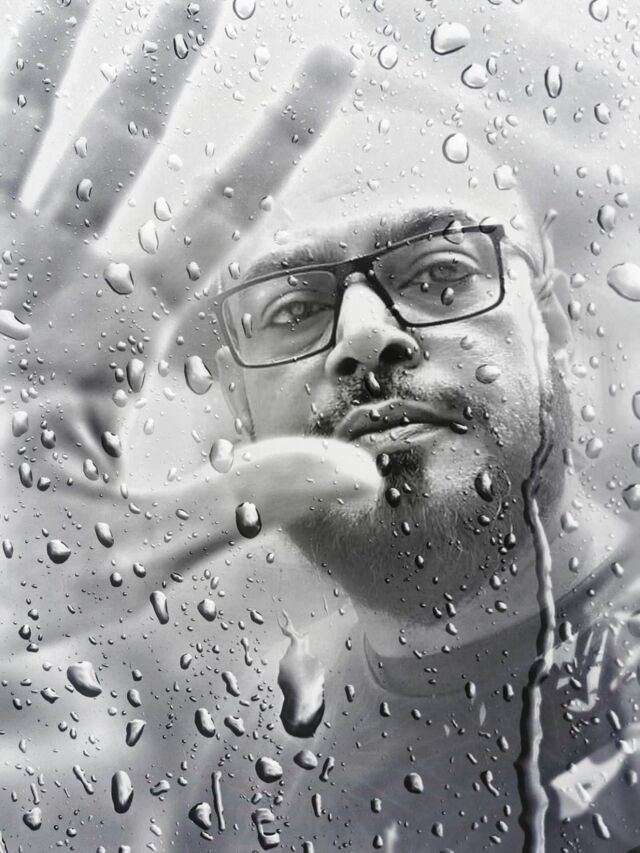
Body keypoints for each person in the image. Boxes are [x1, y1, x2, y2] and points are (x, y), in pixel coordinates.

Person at [0, 2, 638, 852]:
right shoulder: (248, 768)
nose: (365, 337)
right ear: (240, 406)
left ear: (549, 323)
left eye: (439, 273)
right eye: (294, 308)